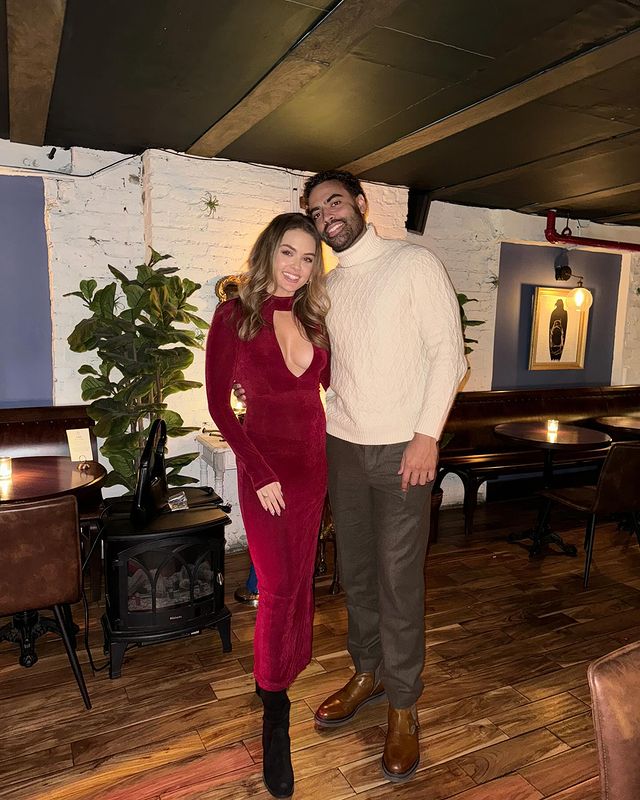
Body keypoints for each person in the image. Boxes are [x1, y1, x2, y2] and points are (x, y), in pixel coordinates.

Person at [304, 170, 466, 782]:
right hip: (343, 446)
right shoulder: (330, 287)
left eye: (335, 204)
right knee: (359, 573)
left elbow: (448, 354)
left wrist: (426, 435)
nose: (327, 218)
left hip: (404, 447)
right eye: (316, 212)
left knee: (400, 582)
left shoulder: (413, 263)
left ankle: (403, 705)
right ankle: (366, 672)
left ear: (361, 205)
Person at [205, 212, 330, 799]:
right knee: (277, 588)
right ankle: (274, 708)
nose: (296, 267)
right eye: (288, 252)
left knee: (300, 580)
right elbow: (222, 409)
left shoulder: (314, 317)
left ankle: (285, 666)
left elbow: (325, 392)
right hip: (268, 476)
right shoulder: (234, 316)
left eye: (308, 258)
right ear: (268, 251)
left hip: (313, 470)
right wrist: (257, 475)